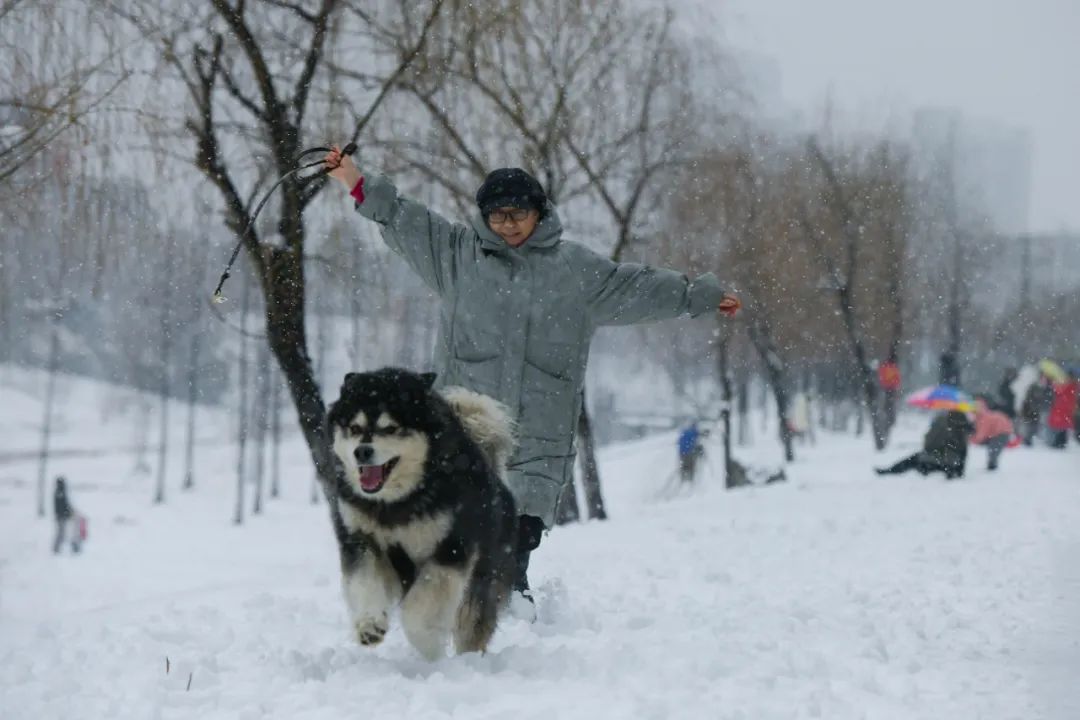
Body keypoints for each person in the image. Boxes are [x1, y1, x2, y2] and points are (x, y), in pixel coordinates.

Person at [324, 149, 741, 602]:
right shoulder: (458, 257)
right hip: (467, 427)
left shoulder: (575, 272)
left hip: (540, 430)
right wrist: (353, 178)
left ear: (539, 212)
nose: (507, 223)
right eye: (497, 215)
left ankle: (509, 609)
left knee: (517, 533)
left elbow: (635, 288)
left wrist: (698, 296)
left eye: (518, 213)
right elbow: (402, 219)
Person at [875, 410, 973, 480]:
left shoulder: (942, 421)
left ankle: (890, 471)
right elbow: (963, 453)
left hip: (936, 462)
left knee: (913, 459)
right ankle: (889, 471)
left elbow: (929, 445)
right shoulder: (963, 427)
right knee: (918, 458)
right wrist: (958, 470)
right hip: (952, 466)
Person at [970, 398, 1014, 471]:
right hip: (1001, 432)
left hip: (1002, 432)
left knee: (993, 449)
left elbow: (982, 432)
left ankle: (992, 465)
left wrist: (973, 440)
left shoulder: (984, 418)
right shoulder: (984, 416)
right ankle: (992, 464)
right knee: (993, 449)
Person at [1048, 371, 1079, 449]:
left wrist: (1055, 385)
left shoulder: (1068, 386)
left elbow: (1059, 392)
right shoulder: (1075, 386)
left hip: (1063, 408)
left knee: (1060, 426)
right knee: (1064, 426)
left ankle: (1059, 442)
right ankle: (1061, 442)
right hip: (1068, 408)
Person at [1019, 375, 1052, 446]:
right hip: (1030, 411)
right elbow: (1032, 400)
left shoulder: (1039, 389)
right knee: (1029, 426)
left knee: (1032, 426)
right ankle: (1027, 440)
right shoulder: (1034, 388)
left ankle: (1028, 439)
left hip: (1033, 411)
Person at [52, 476, 81, 555]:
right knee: (62, 533)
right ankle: (56, 549)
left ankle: (58, 549)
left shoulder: (60, 492)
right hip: (61, 516)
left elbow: (66, 505)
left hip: (63, 516)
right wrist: (68, 512)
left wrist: (70, 511)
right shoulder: (59, 492)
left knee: (66, 533)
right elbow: (62, 506)